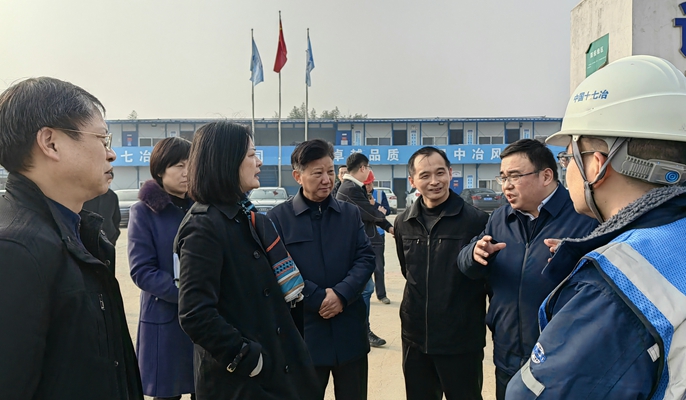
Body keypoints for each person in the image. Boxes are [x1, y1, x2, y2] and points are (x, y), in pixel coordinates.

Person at [506, 56, 686, 398]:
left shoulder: (618, 282)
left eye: (568, 158)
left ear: (596, 166)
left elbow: (532, 394)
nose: (566, 170)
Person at [0, 77, 143, 399]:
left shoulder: (81, 233)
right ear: (50, 143)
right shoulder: (15, 251)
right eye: (102, 139)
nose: (111, 154)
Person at [176, 121, 319, 400]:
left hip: (275, 370)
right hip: (242, 383)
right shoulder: (203, 227)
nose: (259, 162)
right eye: (252, 155)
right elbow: (195, 314)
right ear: (227, 161)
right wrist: (248, 358)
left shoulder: (245, 216)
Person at [456, 139, 597, 399]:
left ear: (546, 176)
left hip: (562, 359)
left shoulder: (584, 217)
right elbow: (466, 265)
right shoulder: (500, 218)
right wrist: (474, 254)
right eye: (503, 177)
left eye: (515, 176)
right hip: (508, 353)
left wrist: (575, 258)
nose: (506, 185)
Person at [268, 139, 376, 400]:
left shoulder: (349, 214)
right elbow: (277, 271)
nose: (326, 180)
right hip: (304, 336)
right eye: (317, 173)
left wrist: (341, 295)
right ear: (298, 176)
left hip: (349, 333)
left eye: (330, 171)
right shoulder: (277, 219)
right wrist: (317, 298)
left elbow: (365, 258)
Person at [394, 146, 489, 400]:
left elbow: (484, 278)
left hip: (460, 340)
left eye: (440, 173)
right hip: (416, 338)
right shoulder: (403, 222)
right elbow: (406, 271)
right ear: (412, 181)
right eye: (425, 175)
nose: (434, 181)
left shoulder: (476, 221)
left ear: (450, 173)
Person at [127, 137, 195, 400]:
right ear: (160, 170)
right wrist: (188, 294)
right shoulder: (144, 212)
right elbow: (142, 270)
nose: (187, 172)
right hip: (166, 318)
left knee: (207, 388)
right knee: (168, 393)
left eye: (190, 164)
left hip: (205, 317)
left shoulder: (202, 208)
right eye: (179, 165)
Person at [335, 153, 393, 349]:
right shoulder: (350, 188)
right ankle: (361, 330)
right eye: (367, 168)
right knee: (364, 289)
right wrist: (392, 226)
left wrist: (389, 227)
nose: (368, 172)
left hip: (359, 245)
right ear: (362, 168)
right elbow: (370, 213)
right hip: (352, 248)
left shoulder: (354, 188)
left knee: (364, 289)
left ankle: (359, 329)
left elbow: (375, 212)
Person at [83, 172, 121, 274]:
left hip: (107, 242)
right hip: (85, 244)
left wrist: (113, 237)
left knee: (107, 275)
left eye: (109, 181)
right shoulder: (85, 195)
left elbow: (116, 219)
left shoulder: (112, 196)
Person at [365, 175, 392, 305]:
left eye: (369, 184)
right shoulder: (357, 195)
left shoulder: (380, 194)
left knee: (379, 267)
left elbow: (387, 211)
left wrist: (374, 204)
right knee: (362, 267)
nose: (367, 187)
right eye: (365, 184)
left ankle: (381, 295)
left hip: (378, 235)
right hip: (363, 235)